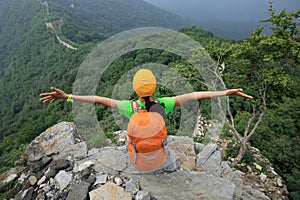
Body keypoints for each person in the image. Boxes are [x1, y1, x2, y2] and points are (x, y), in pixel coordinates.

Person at [40, 69, 253, 117]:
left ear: (134, 89)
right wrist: (227, 92)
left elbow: (97, 99)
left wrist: (67, 96)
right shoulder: (165, 104)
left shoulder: (128, 107)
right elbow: (197, 95)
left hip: (137, 158)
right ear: (155, 89)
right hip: (158, 156)